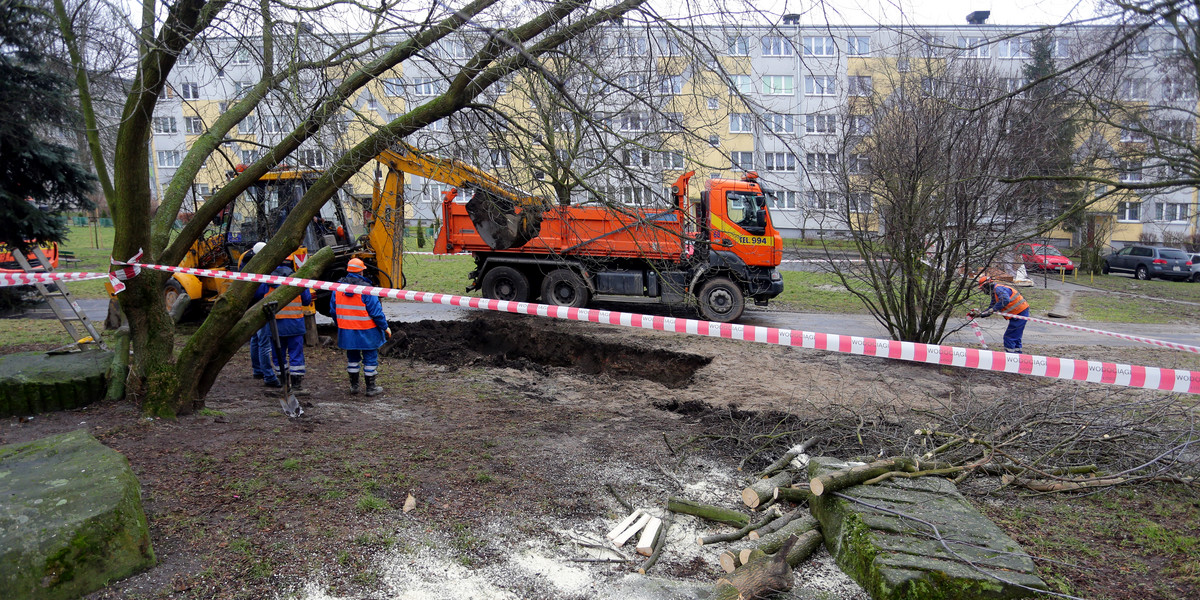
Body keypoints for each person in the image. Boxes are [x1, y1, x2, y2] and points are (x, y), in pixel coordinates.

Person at [330, 258, 390, 396]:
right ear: (362, 271)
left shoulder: (337, 289)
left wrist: (341, 325)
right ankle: (371, 388)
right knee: (370, 359)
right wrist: (385, 326)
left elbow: (333, 310)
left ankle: (354, 386)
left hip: (347, 332)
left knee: (352, 359)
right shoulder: (366, 289)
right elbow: (376, 312)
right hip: (367, 332)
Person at [255, 263, 312, 391]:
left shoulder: (267, 282)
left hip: (275, 327)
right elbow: (307, 300)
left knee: (278, 356)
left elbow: (257, 296)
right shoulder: (297, 280)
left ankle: (283, 383)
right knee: (296, 354)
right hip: (295, 325)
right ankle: (296, 385)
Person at [975, 276, 1030, 354]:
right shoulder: (995, 292)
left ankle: (1011, 358)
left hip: (1020, 313)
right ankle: (1018, 356)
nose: (983, 291)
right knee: (1016, 337)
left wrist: (993, 309)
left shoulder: (998, 289)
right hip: (1019, 313)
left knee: (1009, 337)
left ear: (987, 285)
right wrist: (981, 314)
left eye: (983, 289)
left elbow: (1005, 300)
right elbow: (992, 306)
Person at [240, 242, 270, 379]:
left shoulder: (246, 263)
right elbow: (260, 290)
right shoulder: (257, 268)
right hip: (259, 304)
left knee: (255, 339)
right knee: (263, 341)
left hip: (250, 305)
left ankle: (257, 369)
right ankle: (266, 373)